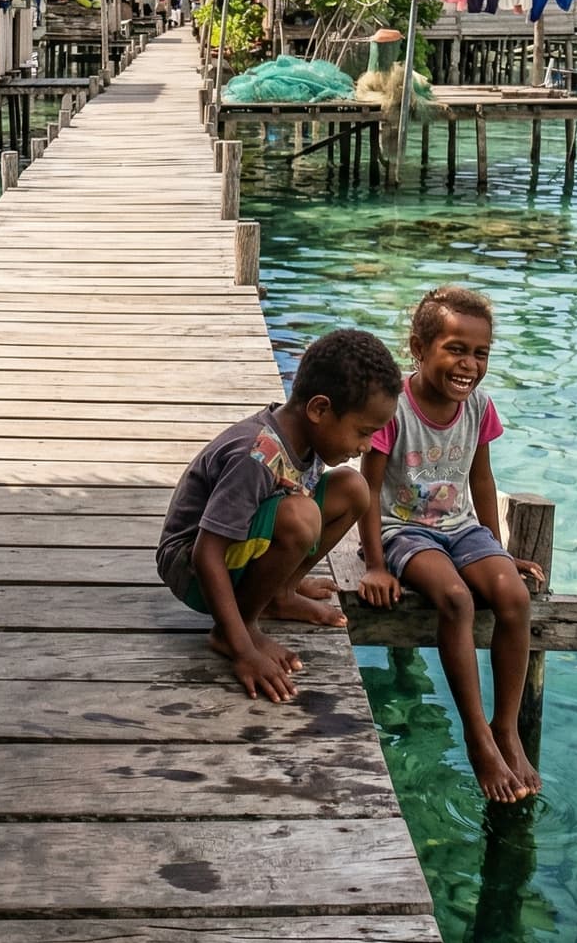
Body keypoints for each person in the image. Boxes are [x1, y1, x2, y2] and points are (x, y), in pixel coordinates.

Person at [357, 286, 544, 803]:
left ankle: (505, 727)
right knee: (457, 599)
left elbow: (481, 480)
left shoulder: (478, 407)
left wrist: (500, 550)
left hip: (461, 528)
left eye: (481, 353)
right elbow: (368, 488)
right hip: (402, 530)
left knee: (514, 597)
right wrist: (375, 564)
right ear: (419, 349)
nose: (469, 364)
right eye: (456, 349)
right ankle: (477, 737)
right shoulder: (393, 408)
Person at [158, 330, 401, 702]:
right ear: (319, 410)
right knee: (300, 516)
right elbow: (206, 553)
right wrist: (244, 648)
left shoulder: (307, 435)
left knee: (354, 488)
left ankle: (280, 594)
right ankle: (235, 628)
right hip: (191, 567)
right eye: (363, 432)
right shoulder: (257, 455)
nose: (366, 446)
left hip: (231, 550)